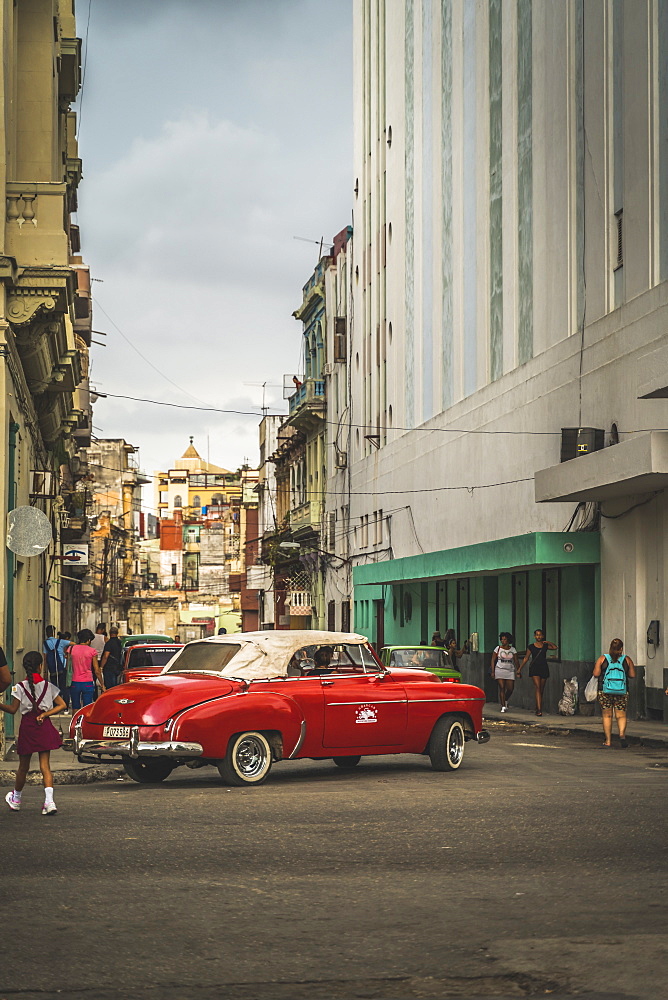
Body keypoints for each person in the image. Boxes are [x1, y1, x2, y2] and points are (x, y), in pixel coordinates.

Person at [1, 651, 66, 815]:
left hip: (28, 727)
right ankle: (49, 802)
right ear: (40, 666)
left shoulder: (19, 687)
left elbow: (12, 710)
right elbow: (62, 705)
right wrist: (45, 714)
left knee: (23, 767)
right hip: (43, 725)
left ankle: (16, 800)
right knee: (45, 766)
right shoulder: (48, 685)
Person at [593, 638, 636, 748]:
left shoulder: (603, 658)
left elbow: (596, 673)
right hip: (622, 691)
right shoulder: (627, 660)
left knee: (607, 715)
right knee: (621, 715)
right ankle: (621, 734)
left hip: (605, 690)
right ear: (621, 649)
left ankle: (608, 740)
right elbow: (632, 675)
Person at [518, 628, 558, 716]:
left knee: (541, 689)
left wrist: (548, 642)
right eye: (537, 635)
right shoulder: (531, 646)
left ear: (542, 636)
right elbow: (526, 658)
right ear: (534, 636)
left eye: (540, 635)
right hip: (534, 668)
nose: (538, 636)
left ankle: (538, 706)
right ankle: (539, 710)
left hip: (543, 667)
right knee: (538, 687)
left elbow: (555, 647)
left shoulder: (545, 646)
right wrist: (519, 669)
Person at [69, 629, 104, 710]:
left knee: (75, 707)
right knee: (87, 708)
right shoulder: (92, 651)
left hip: (75, 682)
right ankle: (85, 722)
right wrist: (102, 684)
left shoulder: (71, 649)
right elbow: (96, 670)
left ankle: (75, 722)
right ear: (88, 640)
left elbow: (69, 665)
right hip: (87, 682)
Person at [491, 632, 519, 713]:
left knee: (510, 689)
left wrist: (518, 670)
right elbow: (493, 660)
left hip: (510, 670)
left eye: (505, 639)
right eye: (502, 639)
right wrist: (493, 671)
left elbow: (516, 661)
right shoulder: (498, 648)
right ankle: (503, 706)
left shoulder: (512, 649)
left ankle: (505, 699)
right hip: (499, 669)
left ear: (508, 640)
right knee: (502, 687)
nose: (503, 641)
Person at [43, 626, 69, 707]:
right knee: (63, 687)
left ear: (46, 633)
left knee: (54, 687)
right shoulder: (60, 641)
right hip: (62, 667)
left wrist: (45, 671)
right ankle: (65, 705)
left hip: (52, 668)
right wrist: (67, 653)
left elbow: (45, 657)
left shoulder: (45, 643)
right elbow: (73, 644)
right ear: (53, 633)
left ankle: (56, 704)